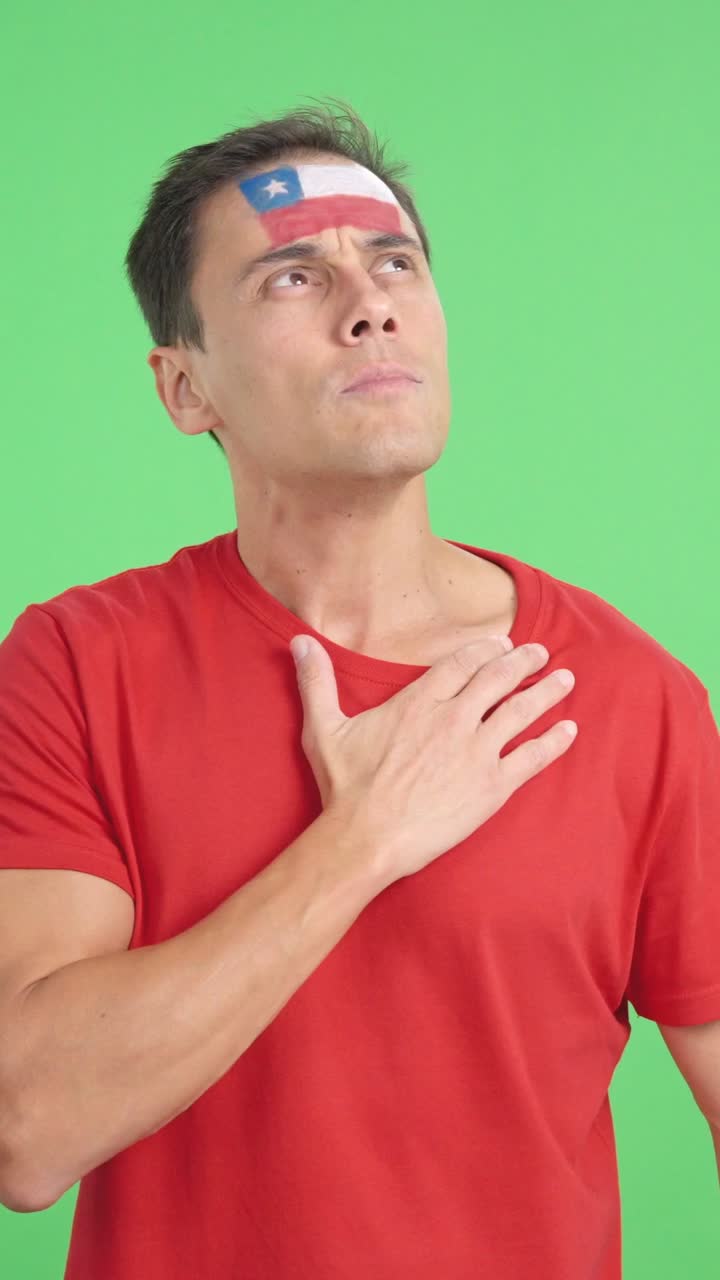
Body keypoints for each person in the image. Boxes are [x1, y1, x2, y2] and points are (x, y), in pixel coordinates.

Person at [0, 98, 718, 1280]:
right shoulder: (79, 662)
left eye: (394, 264)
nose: (369, 304)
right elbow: (27, 1129)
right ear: (186, 388)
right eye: (293, 278)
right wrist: (365, 838)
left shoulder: (632, 696)